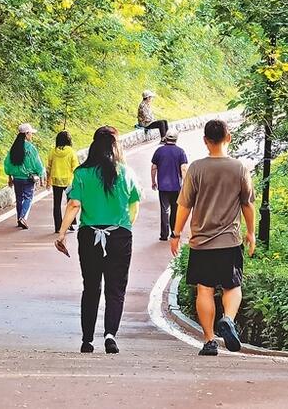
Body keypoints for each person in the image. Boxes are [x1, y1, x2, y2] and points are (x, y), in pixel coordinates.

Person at [170, 119, 256, 356]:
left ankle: (209, 341)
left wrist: (175, 234)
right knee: (233, 286)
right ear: (228, 138)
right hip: (230, 241)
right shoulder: (239, 168)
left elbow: (184, 205)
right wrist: (251, 232)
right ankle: (228, 319)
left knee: (204, 290)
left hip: (202, 241)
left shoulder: (196, 168)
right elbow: (247, 204)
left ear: (205, 140)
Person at [55, 126, 142, 354]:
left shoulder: (82, 174)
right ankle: (110, 334)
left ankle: (87, 339)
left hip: (89, 235)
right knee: (116, 288)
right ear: (115, 146)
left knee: (91, 286)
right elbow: (134, 205)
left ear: (93, 146)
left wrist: (62, 232)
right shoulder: (126, 172)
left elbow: (74, 204)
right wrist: (125, 225)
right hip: (120, 235)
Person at [4, 123, 45, 230]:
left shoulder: (14, 148)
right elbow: (37, 163)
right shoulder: (30, 148)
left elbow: (8, 163)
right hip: (28, 178)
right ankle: (22, 217)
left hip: (16, 178)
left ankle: (19, 218)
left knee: (19, 198)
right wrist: (40, 174)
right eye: (31, 133)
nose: (31, 135)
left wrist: (10, 177)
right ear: (26, 134)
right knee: (28, 197)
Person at [150, 128, 188, 241]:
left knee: (164, 210)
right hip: (176, 186)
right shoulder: (181, 152)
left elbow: (153, 168)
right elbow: (184, 168)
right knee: (175, 209)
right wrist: (185, 184)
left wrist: (153, 181)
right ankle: (174, 232)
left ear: (166, 138)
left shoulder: (159, 151)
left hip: (163, 186)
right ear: (176, 139)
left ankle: (163, 235)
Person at [46, 130, 80, 233]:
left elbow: (49, 167)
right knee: (71, 203)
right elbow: (75, 168)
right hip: (69, 181)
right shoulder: (71, 152)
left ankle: (57, 227)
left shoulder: (53, 151)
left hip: (56, 180)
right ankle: (70, 223)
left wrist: (48, 180)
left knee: (57, 204)